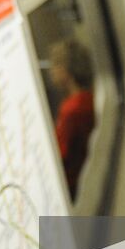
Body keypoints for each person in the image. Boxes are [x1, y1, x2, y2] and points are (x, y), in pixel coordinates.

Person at [48, 39, 95, 200]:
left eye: (56, 65)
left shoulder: (71, 110)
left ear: (66, 70)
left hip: (73, 187)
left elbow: (59, 156)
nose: (52, 71)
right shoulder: (90, 97)